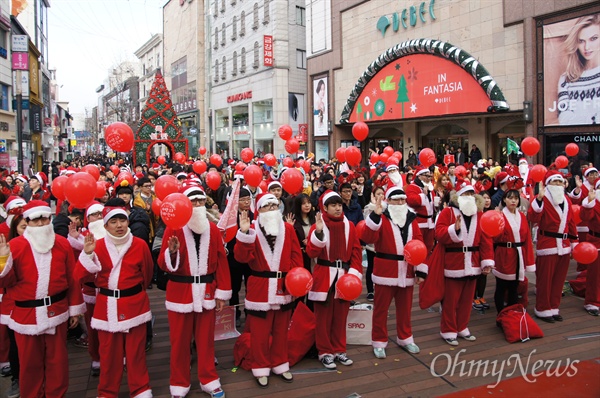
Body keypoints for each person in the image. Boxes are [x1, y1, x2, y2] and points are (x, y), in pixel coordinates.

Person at [0, 200, 85, 398]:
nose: (40, 224)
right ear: (27, 222)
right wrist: (3, 261)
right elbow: (7, 282)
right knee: (30, 364)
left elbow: (72, 278)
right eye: (35, 220)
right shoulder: (16, 245)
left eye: (44, 219)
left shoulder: (62, 243)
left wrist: (75, 308)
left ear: (50, 219)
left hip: (57, 311)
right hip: (26, 316)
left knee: (58, 363)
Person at [76, 198, 154, 397]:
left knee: (136, 353)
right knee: (109, 354)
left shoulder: (140, 245)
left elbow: (146, 274)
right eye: (114, 221)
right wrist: (87, 255)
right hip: (107, 306)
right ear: (105, 225)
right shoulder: (97, 246)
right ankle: (107, 391)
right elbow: (80, 277)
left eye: (123, 220)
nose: (119, 225)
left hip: (135, 304)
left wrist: (133, 292)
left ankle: (140, 389)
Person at [158, 183, 231, 398]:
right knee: (179, 342)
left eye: (200, 201)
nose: (197, 205)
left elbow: (221, 263)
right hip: (180, 292)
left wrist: (222, 294)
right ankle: (179, 383)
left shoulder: (214, 231)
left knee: (206, 341)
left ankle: (209, 380)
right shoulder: (173, 228)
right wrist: (171, 253)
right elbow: (163, 264)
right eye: (193, 201)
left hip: (207, 291)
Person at [234, 193, 303, 388]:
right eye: (267, 206)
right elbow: (240, 258)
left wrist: (295, 282)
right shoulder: (252, 229)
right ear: (259, 210)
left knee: (281, 330)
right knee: (259, 333)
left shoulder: (288, 229)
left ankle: (280, 363)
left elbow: (296, 257)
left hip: (283, 286)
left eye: (274, 206)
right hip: (260, 288)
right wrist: (245, 234)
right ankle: (260, 366)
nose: (272, 209)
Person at [360, 187, 427, 358]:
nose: (399, 203)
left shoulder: (412, 219)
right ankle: (379, 341)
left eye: (402, 200)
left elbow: (419, 243)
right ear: (388, 201)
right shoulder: (380, 217)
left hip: (407, 270)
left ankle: (405, 337)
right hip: (386, 271)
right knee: (381, 309)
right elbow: (368, 238)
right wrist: (374, 216)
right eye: (396, 200)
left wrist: (420, 270)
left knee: (405, 309)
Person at [432, 179, 494, 345]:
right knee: (451, 300)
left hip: (473, 262)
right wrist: (455, 229)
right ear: (458, 196)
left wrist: (486, 261)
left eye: (471, 194)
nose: (469, 196)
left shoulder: (479, 214)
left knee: (467, 300)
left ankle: (462, 327)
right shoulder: (447, 213)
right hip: (454, 262)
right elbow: (439, 234)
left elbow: (486, 239)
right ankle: (448, 330)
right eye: (465, 194)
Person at [306, 190, 362, 370]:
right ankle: (325, 351)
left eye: (339, 205)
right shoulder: (317, 226)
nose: (338, 208)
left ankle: (339, 349)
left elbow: (356, 252)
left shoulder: (349, 225)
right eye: (333, 205)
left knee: (341, 316)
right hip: (324, 276)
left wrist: (354, 274)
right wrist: (319, 234)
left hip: (344, 276)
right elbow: (311, 252)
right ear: (325, 207)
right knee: (323, 317)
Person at [528, 171, 578, 323]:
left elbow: (571, 223)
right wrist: (539, 199)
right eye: (554, 182)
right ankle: (543, 309)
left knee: (559, 280)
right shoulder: (542, 200)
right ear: (548, 185)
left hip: (564, 245)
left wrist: (574, 242)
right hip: (548, 244)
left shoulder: (567, 201)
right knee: (545, 279)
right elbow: (532, 218)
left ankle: (554, 307)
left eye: (560, 182)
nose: (557, 185)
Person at [492, 190, 535, 313]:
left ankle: (512, 312)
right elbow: (494, 237)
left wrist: (528, 257)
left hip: (518, 255)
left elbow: (526, 238)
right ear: (504, 200)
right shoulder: (499, 215)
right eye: (510, 198)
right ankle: (501, 314)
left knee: (514, 287)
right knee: (501, 285)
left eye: (516, 198)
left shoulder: (521, 216)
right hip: (504, 254)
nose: (513, 201)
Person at [556, 15, 600, 125]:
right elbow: (564, 118)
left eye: (593, 38)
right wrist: (592, 120)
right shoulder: (566, 78)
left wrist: (581, 118)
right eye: (581, 41)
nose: (587, 47)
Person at [286, 193, 316, 308]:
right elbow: (289, 241)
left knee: (312, 284)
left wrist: (311, 241)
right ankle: (297, 310)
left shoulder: (314, 218)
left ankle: (309, 310)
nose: (307, 206)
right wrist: (290, 228)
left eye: (308, 203)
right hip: (299, 257)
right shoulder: (292, 219)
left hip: (313, 257)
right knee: (300, 283)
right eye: (304, 204)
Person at [580, 180, 600, 316]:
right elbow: (584, 216)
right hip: (596, 241)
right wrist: (589, 203)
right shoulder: (593, 204)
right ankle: (592, 301)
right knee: (595, 274)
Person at [406, 166, 436, 252]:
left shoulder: (430, 188)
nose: (428, 178)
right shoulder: (412, 187)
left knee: (429, 246)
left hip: (430, 223)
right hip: (419, 222)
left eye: (429, 176)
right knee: (419, 246)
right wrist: (423, 195)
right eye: (426, 176)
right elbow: (411, 201)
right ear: (419, 176)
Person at [362, 186, 385, 301]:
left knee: (382, 266)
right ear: (373, 195)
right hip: (371, 244)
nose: (380, 196)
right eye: (378, 194)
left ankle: (381, 289)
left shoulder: (388, 208)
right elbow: (367, 223)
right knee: (371, 266)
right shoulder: (368, 208)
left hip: (384, 243)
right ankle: (370, 290)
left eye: (382, 193)